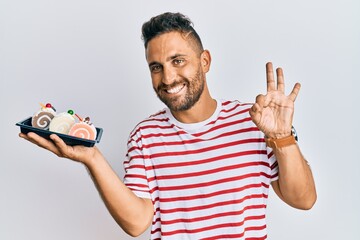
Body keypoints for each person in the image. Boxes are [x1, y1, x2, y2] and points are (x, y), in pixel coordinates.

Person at [19, 12, 316, 239]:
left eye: (178, 61)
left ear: (205, 61)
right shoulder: (145, 136)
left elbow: (303, 200)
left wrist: (281, 137)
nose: (168, 78)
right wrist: (91, 158)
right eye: (156, 67)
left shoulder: (253, 121)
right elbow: (137, 223)